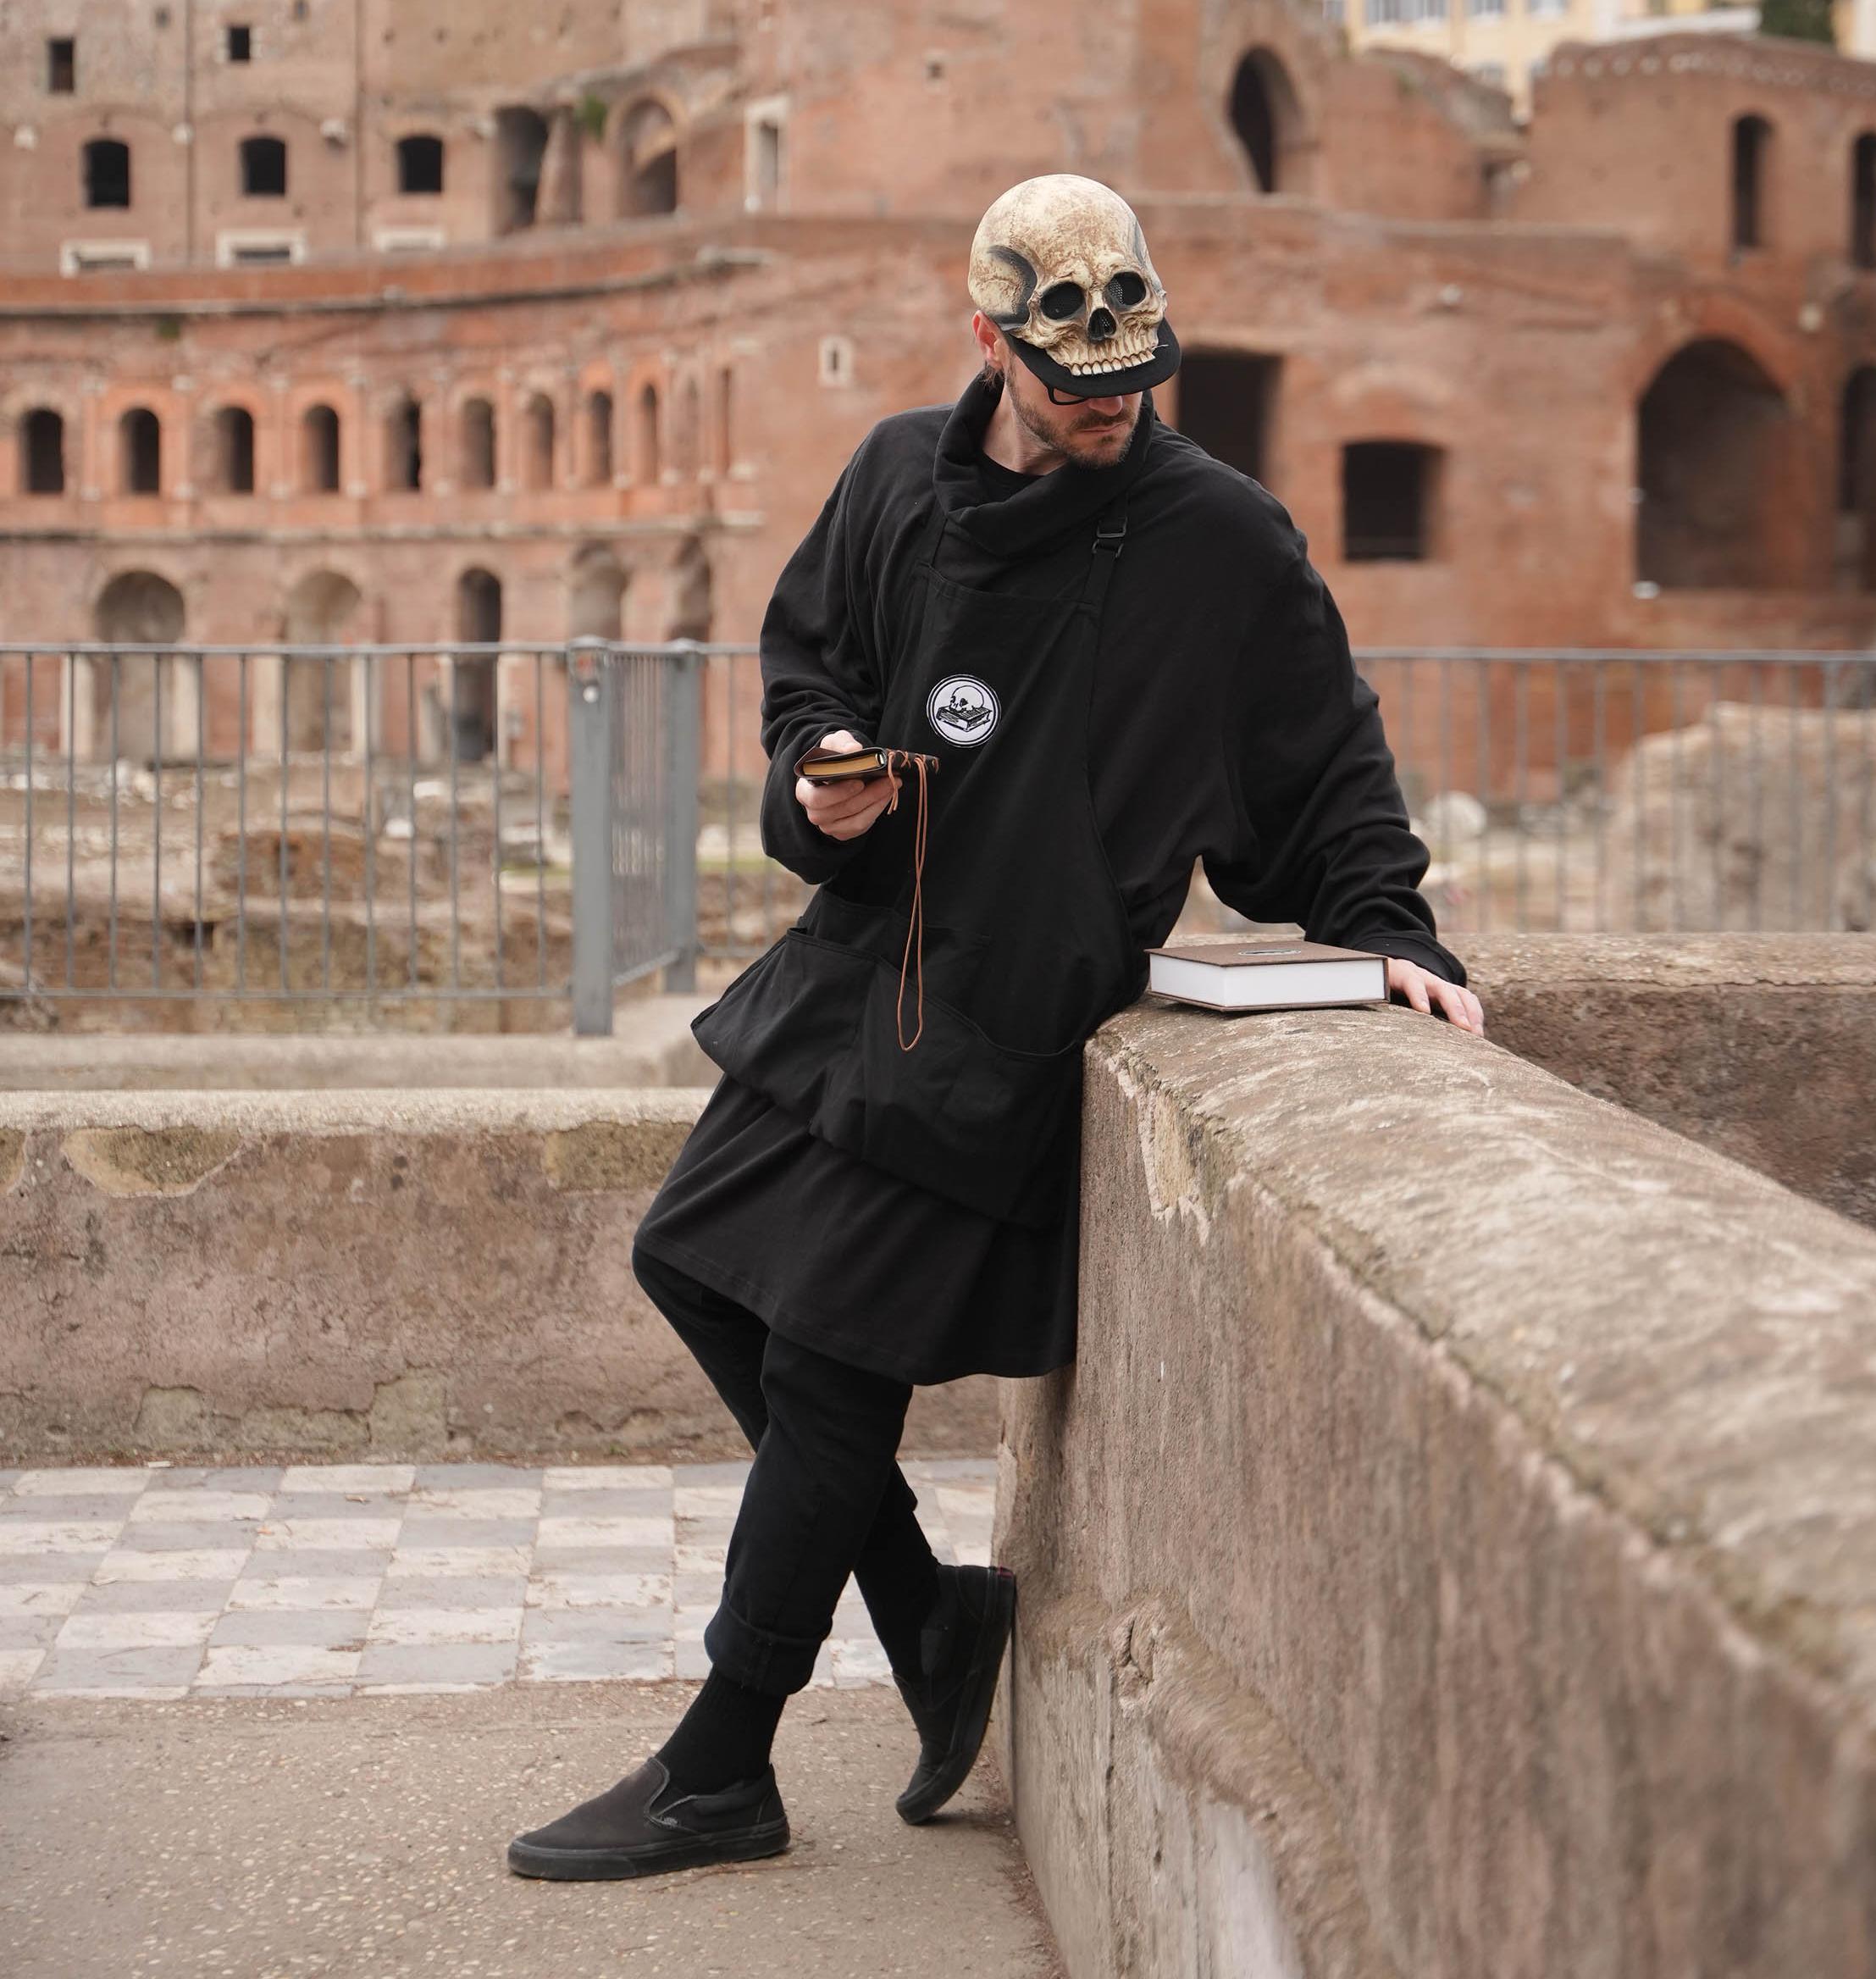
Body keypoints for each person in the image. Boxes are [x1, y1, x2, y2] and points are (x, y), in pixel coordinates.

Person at [506, 173, 1482, 1882]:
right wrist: (821, 783)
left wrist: (1388, 932)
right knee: (687, 1257)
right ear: (991, 343)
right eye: (1069, 383)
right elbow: (806, 662)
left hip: (1019, 1014)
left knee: (823, 1368)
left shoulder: (1220, 540)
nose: (1106, 408)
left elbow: (1325, 761)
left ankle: (718, 1767)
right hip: (856, 963)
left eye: (1131, 381)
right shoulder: (895, 471)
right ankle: (934, 1622)